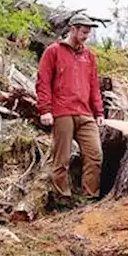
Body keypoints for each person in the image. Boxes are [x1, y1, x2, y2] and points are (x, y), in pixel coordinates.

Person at [35, 12, 104, 198]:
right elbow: (43, 81)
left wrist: (99, 112)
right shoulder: (53, 51)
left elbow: (94, 86)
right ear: (72, 29)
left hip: (86, 113)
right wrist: (45, 109)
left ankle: (89, 197)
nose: (86, 36)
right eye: (83, 31)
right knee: (61, 160)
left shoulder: (89, 56)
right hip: (62, 112)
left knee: (95, 155)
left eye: (88, 32)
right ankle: (63, 197)